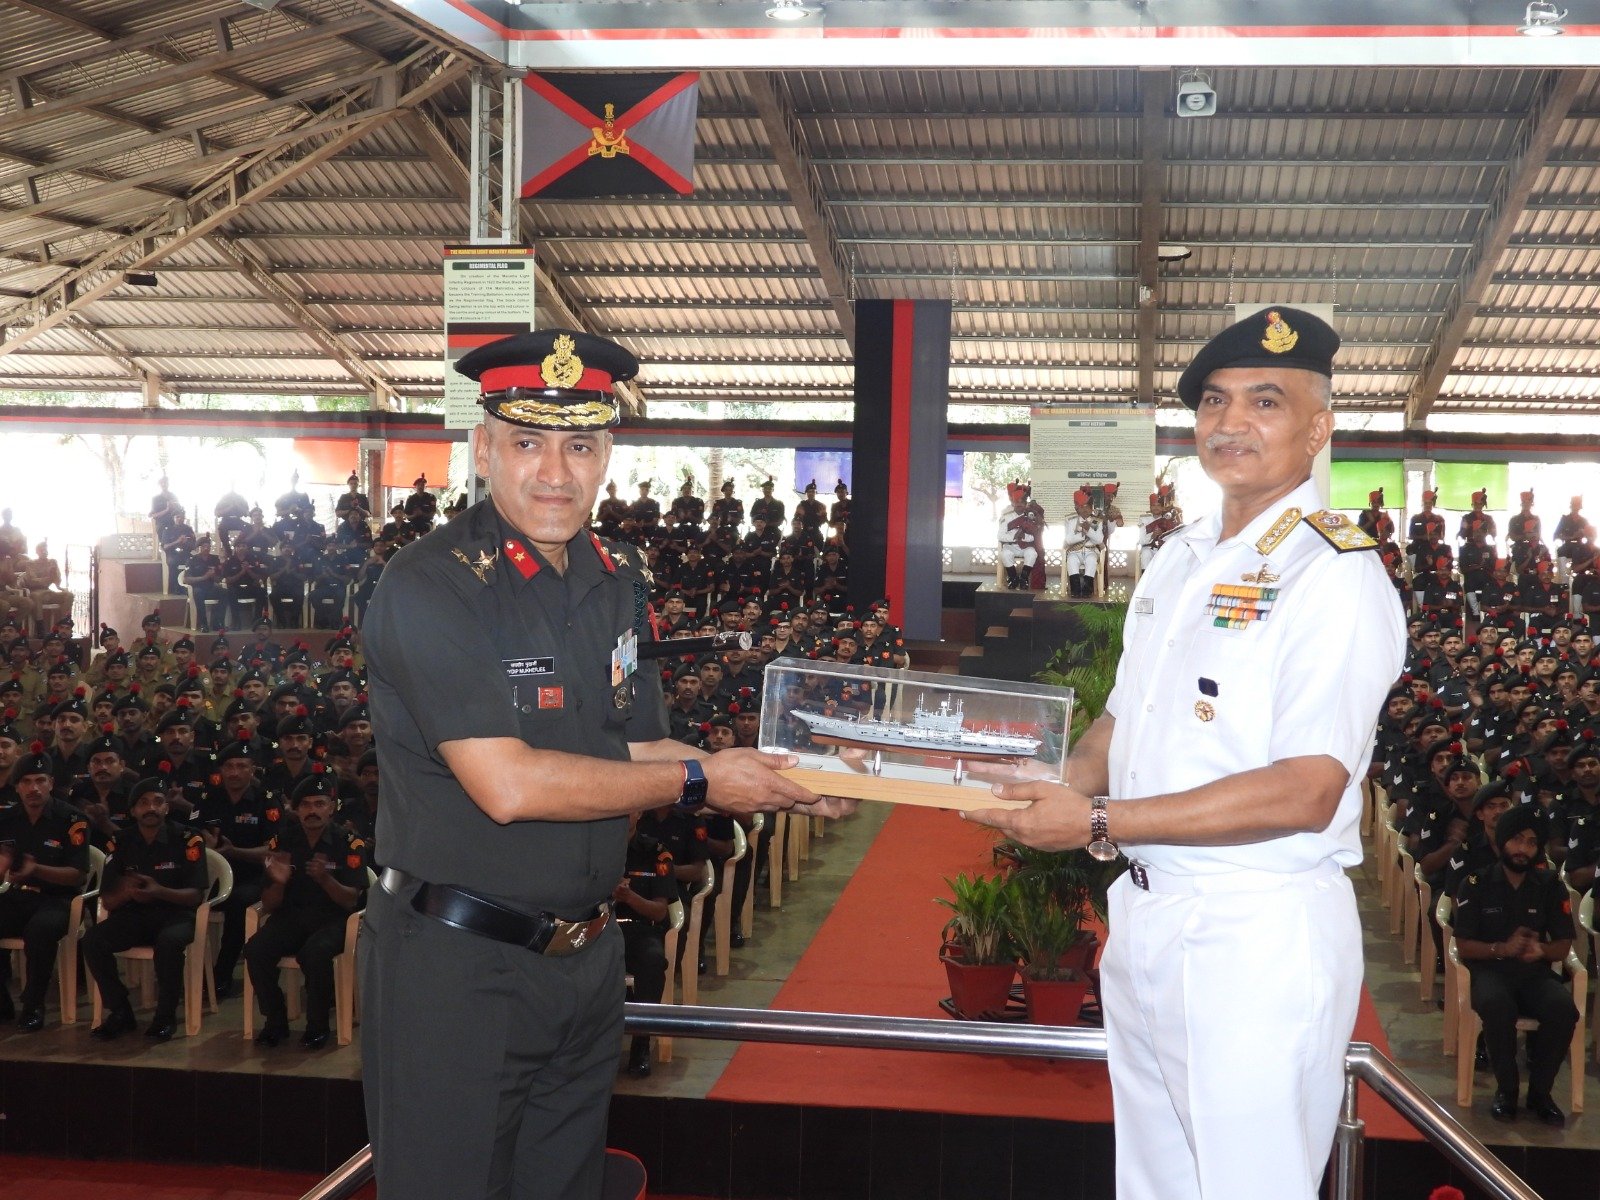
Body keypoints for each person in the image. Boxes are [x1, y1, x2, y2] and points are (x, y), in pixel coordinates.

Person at [359, 328, 841, 1200]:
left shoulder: (615, 575)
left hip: (583, 960)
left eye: (579, 445)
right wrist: (703, 780)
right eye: (529, 442)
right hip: (457, 968)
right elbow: (508, 785)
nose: (555, 472)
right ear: (483, 448)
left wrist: (789, 774)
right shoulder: (431, 585)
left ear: (607, 452)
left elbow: (636, 746)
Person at [969, 307, 1407, 1200]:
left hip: (1254, 932)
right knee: (1157, 1182)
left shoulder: (1336, 575)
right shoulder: (1181, 557)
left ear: (1318, 427)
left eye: (1265, 402)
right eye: (1214, 401)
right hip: (1147, 916)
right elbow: (1123, 723)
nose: (1230, 423)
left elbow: (1308, 789)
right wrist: (1053, 783)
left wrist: (1093, 819)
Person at [1452, 805, 1579, 1125]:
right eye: (1517, 840)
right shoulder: (1477, 882)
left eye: (1531, 842)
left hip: (1533, 973)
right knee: (1496, 1005)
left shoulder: (1549, 883)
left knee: (1563, 1008)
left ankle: (1540, 1094)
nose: (1523, 849)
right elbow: (1463, 945)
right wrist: (1501, 948)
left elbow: (1564, 944)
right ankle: (1506, 1092)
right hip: (1490, 971)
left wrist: (1541, 951)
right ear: (1503, 842)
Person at [244, 767, 367, 1049]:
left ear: (332, 808)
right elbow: (271, 904)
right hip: (291, 916)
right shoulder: (282, 842)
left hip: (334, 919)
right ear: (295, 809)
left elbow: (350, 901)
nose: (312, 811)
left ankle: (318, 1026)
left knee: (315, 953)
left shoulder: (350, 843)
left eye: (320, 804)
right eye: (306, 805)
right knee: (256, 949)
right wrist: (277, 883)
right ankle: (275, 1021)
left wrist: (325, 879)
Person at [81, 773, 208, 1042]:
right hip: (134, 915)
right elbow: (109, 900)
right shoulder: (120, 841)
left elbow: (196, 896)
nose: (150, 808)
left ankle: (165, 1017)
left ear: (167, 807)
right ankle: (120, 1011)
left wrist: (159, 891)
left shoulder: (188, 838)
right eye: (143, 802)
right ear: (132, 810)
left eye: (157, 802)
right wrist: (126, 891)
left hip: (176, 915)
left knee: (169, 943)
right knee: (92, 940)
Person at [0, 742, 90, 1030]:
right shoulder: (6, 819)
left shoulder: (72, 819)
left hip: (58, 900)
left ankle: (33, 1005)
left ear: (51, 783)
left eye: (40, 780)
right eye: (26, 781)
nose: (34, 788)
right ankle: (3, 1000)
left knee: (39, 931)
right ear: (17, 787)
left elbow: (77, 875)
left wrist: (36, 869)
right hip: (16, 896)